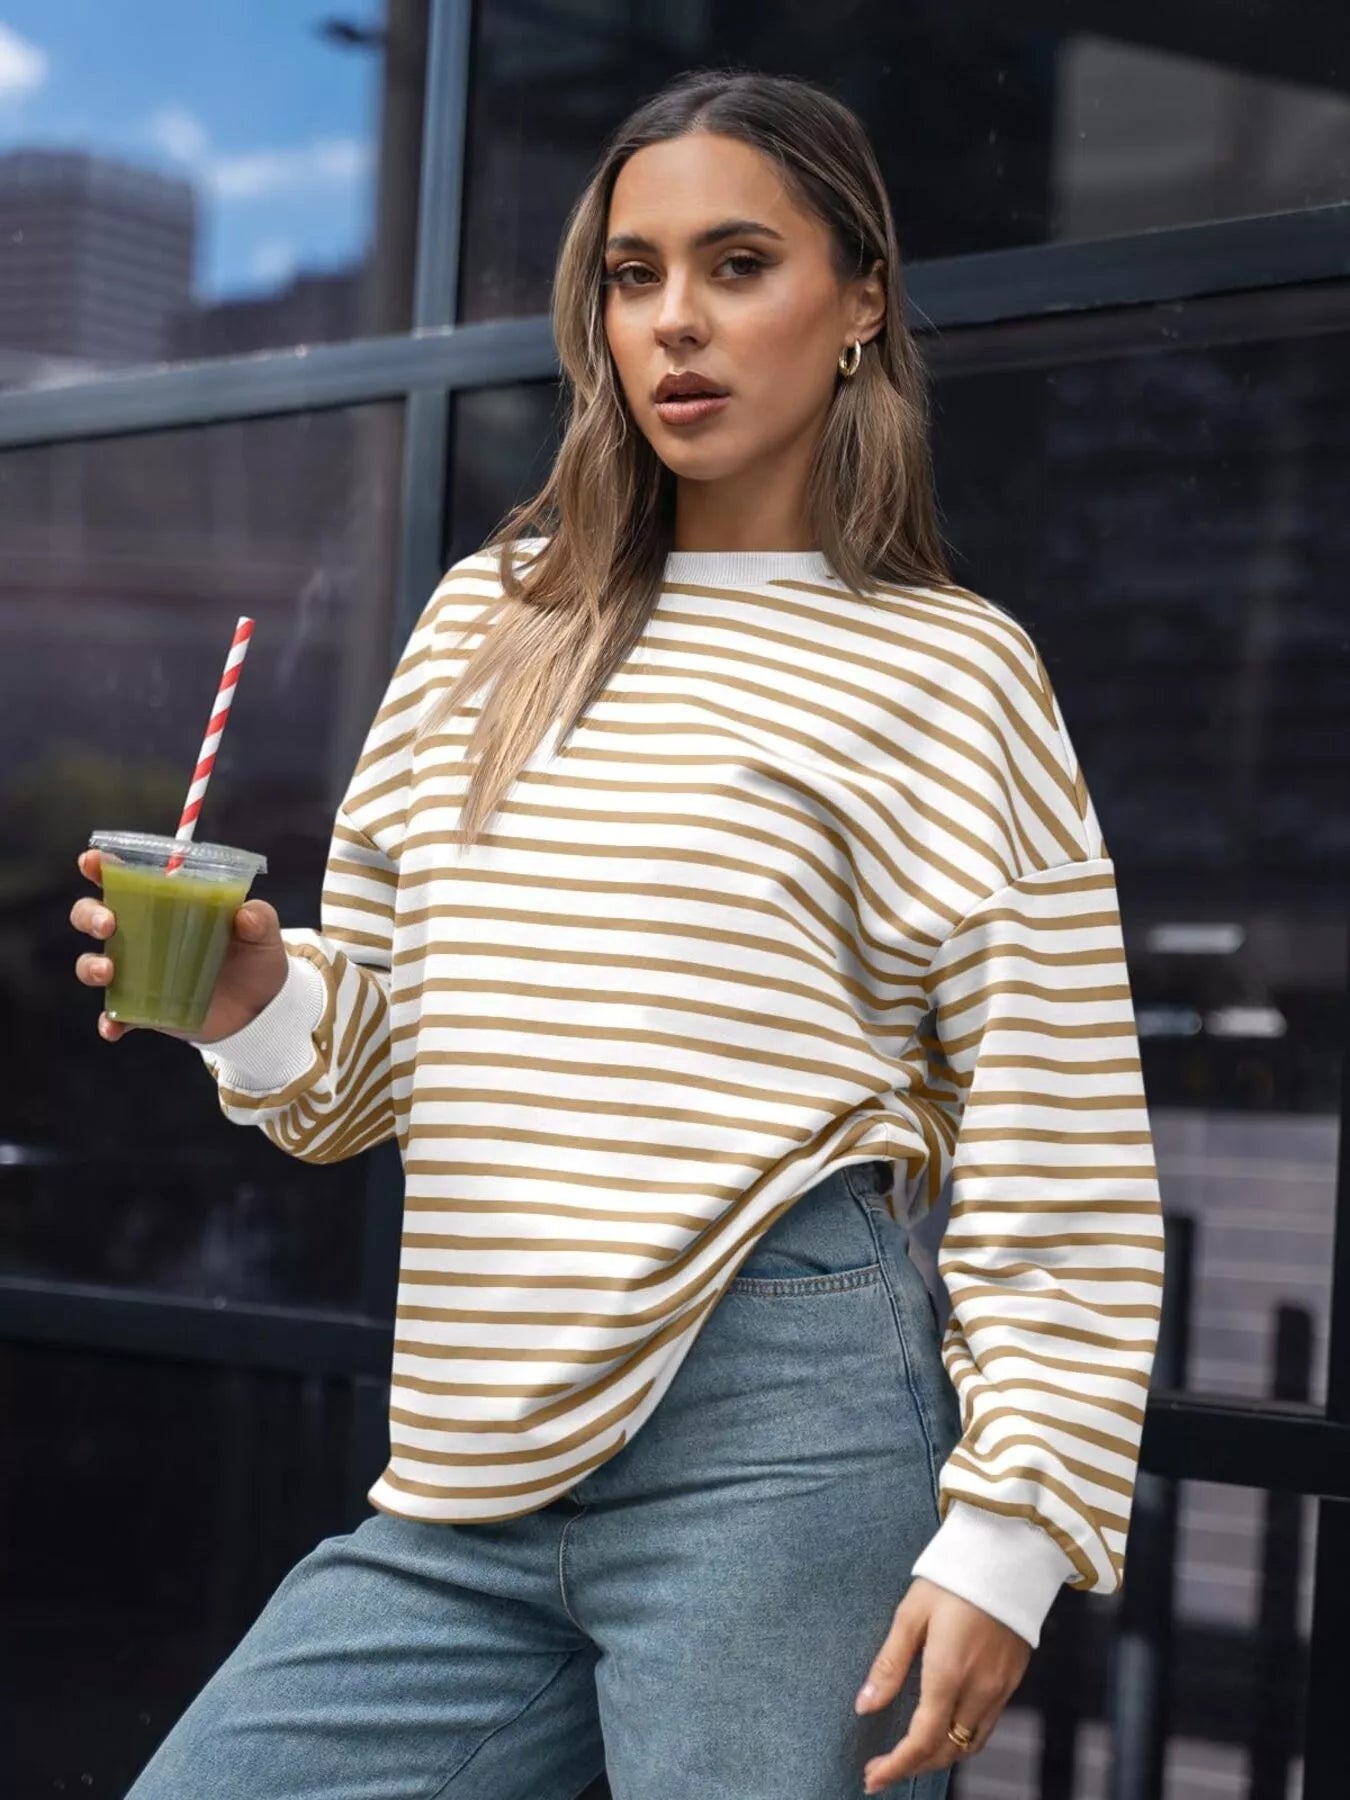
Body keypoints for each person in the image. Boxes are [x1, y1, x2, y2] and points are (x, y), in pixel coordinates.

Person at [72, 67, 1164, 1800]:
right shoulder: (488, 622)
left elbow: (1061, 1145)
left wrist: (1010, 1530)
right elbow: (359, 1078)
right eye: (630, 273)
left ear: (861, 299)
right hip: (463, 1467)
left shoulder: (950, 672)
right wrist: (256, 995)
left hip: (787, 1440)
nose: (675, 325)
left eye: (738, 265)